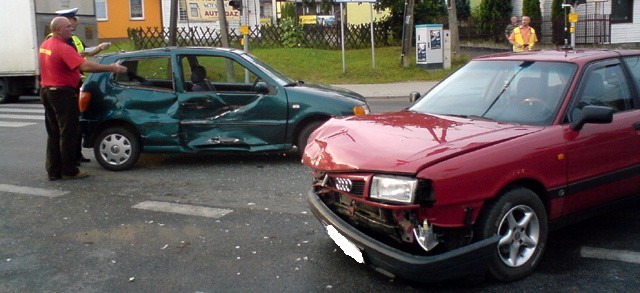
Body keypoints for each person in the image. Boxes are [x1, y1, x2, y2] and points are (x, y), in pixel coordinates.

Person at [39, 16, 127, 180]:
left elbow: (75, 58)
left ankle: (53, 170)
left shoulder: (46, 45)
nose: (71, 29)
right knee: (68, 132)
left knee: (54, 133)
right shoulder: (62, 47)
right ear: (58, 29)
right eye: (67, 27)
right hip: (62, 93)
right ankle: (70, 170)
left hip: (47, 91)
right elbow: (84, 66)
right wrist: (111, 68)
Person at [48, 8, 111, 165]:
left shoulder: (73, 39)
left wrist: (99, 48)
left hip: (70, 85)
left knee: (74, 123)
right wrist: (111, 68)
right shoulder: (57, 42)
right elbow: (79, 64)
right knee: (66, 128)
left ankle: (75, 155)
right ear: (64, 23)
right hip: (61, 88)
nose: (74, 24)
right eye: (72, 21)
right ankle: (68, 163)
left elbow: (82, 54)